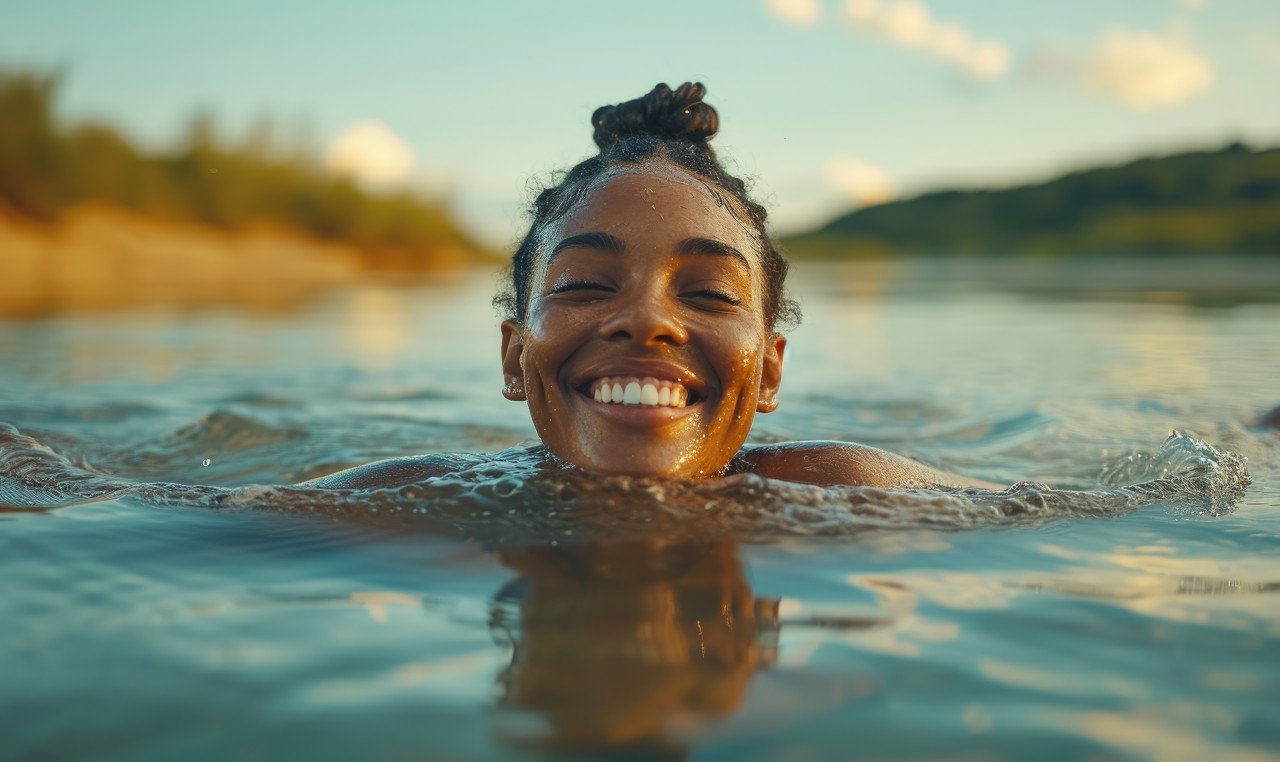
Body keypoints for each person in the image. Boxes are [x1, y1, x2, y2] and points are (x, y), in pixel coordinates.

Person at [307, 82, 999, 491]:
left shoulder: (851, 495)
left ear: (768, 372)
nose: (645, 320)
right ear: (515, 359)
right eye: (584, 285)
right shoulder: (427, 505)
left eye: (707, 294)